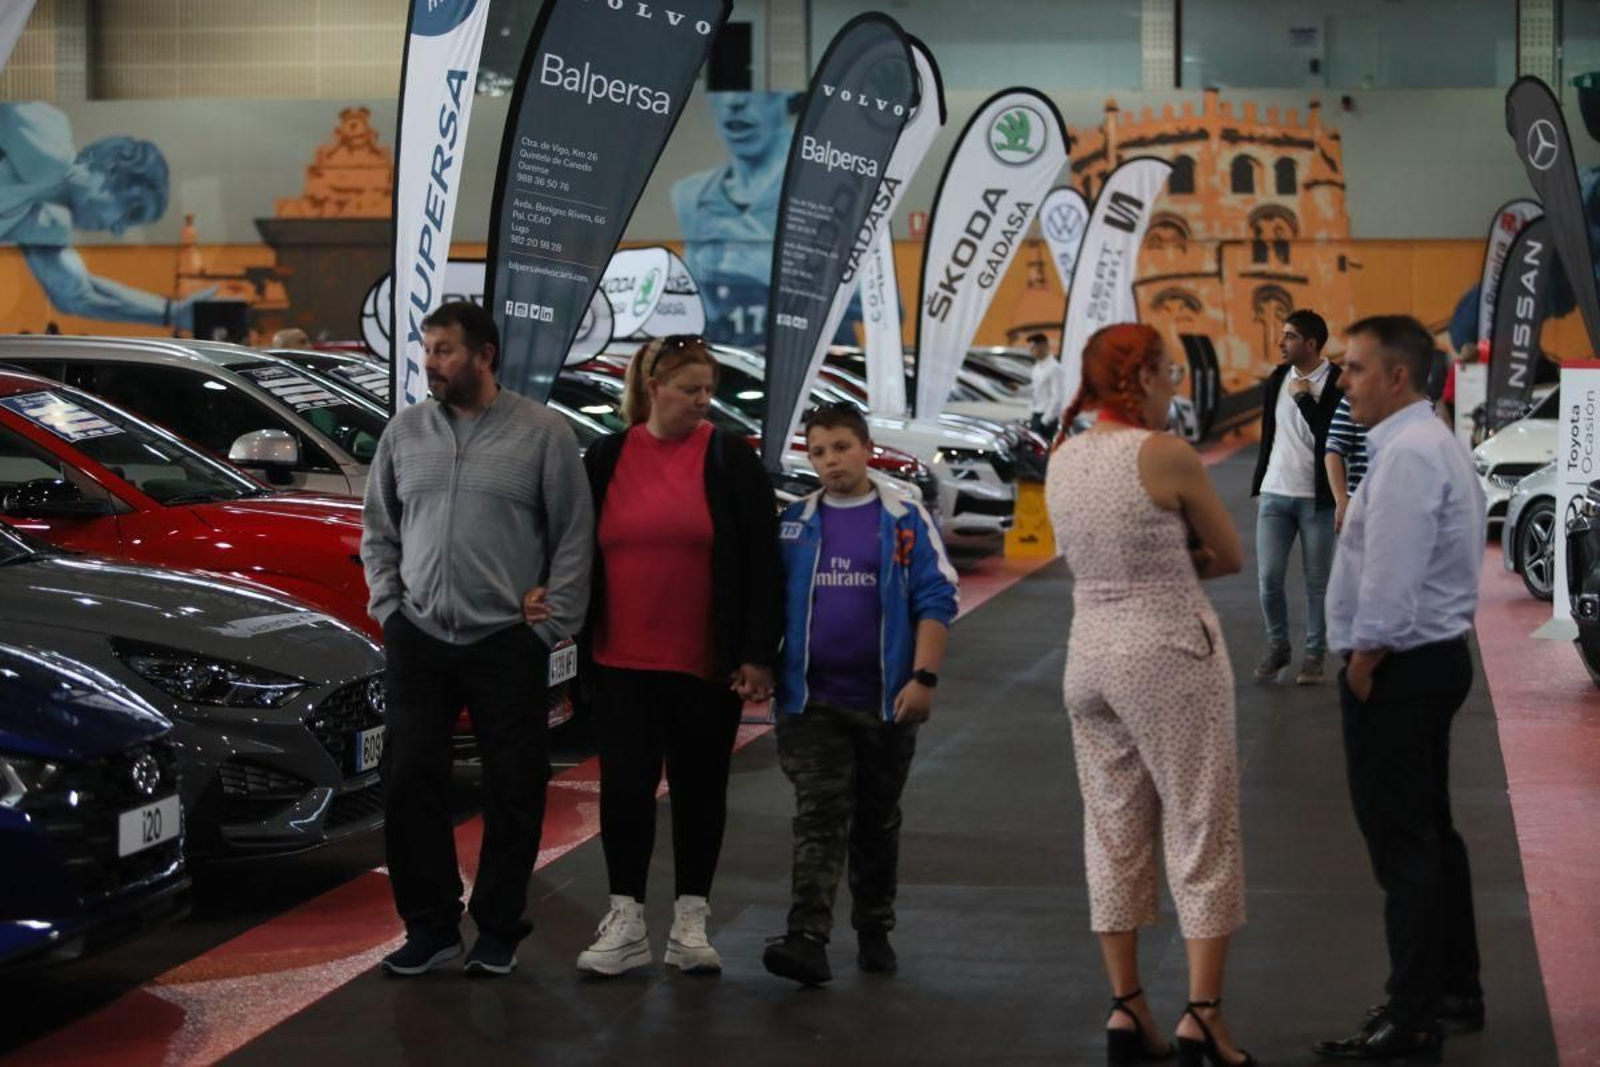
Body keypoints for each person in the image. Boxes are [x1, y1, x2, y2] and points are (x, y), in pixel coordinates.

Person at [362, 300, 593, 977]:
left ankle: (497, 925)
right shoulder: (404, 433)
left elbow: (575, 536)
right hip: (420, 638)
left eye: (444, 350)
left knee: (513, 788)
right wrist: (391, 609)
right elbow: (379, 529)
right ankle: (430, 926)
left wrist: (550, 627)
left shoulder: (543, 434)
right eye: (427, 349)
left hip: (505, 642)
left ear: (485, 355)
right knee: (409, 782)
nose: (430, 363)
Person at [1046, 324, 1254, 1067]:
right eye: (1169, 372)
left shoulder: (1064, 456)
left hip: (1088, 657)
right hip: (1167, 653)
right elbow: (1228, 553)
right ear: (1141, 379)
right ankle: (1203, 1013)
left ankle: (1127, 1005)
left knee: (1111, 830)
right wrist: (1174, 559)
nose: (1177, 385)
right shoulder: (1164, 454)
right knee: (1201, 826)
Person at [575, 334, 781, 977]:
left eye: (708, 390)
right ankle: (626, 919)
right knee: (626, 792)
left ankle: (691, 921)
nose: (703, 400)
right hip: (619, 661)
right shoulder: (606, 458)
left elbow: (762, 564)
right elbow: (576, 550)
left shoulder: (729, 459)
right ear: (655, 388)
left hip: (704, 662)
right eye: (691, 389)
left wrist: (756, 653)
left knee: (700, 791)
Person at [1314, 316, 1486, 1063]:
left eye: (1353, 369)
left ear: (1397, 376)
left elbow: (1390, 572)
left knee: (1404, 848)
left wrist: (1362, 658)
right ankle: (1451, 989)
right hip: (1425, 660)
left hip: (1398, 666)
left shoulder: (1410, 454)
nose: (1343, 383)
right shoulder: (1422, 442)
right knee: (1431, 838)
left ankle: (1411, 1014)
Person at [761, 402, 958, 987]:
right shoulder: (794, 524)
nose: (830, 461)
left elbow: (936, 600)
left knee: (876, 820)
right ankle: (807, 939)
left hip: (887, 703)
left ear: (866, 448)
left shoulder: (903, 518)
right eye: (818, 452)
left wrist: (923, 680)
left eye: (841, 447)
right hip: (809, 702)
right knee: (819, 815)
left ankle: (874, 926)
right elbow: (764, 602)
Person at [0, 102, 215, 329]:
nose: (118, 230)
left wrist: (170, 313)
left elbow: (77, 296)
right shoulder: (51, 148)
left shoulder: (44, 222)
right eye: (132, 213)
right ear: (112, 169)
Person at [1250, 308, 1344, 686]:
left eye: (1288, 336)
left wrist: (1306, 399)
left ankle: (1313, 654)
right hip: (1275, 494)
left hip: (1316, 499)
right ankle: (1278, 646)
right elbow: (1269, 434)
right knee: (1268, 578)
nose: (1280, 342)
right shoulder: (1277, 378)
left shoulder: (1337, 381)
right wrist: (1261, 482)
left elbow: (1333, 437)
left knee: (1317, 582)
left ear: (1310, 343)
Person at [1323, 394, 1369, 534]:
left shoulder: (1423, 404)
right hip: (1361, 506)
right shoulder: (1354, 398)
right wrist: (1341, 500)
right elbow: (1334, 448)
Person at [1025, 331, 1066, 439]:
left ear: (1043, 346)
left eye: (1033, 348)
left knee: (1043, 450)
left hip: (1045, 416)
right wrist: (1018, 389)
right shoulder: (1037, 367)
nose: (1030, 351)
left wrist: (1045, 420)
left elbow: (1057, 397)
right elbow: (1035, 389)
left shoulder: (1054, 368)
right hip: (1035, 413)